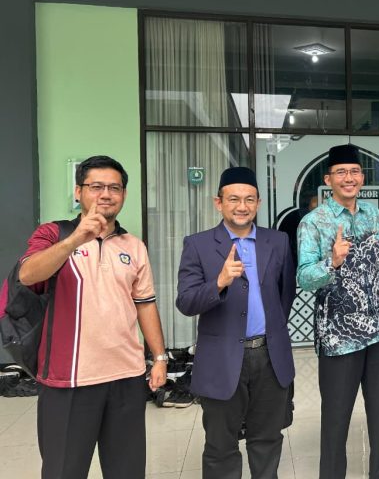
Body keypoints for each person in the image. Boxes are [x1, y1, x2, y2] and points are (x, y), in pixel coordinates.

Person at [17, 155, 167, 479]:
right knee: (64, 471)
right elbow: (27, 275)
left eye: (115, 187)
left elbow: (145, 304)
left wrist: (159, 357)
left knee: (127, 471)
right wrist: (75, 240)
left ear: (124, 194)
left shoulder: (133, 245)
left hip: (127, 376)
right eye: (96, 186)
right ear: (78, 192)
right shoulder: (53, 233)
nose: (106, 194)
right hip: (69, 379)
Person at [176, 166, 295, 479]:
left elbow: (285, 295)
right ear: (219, 203)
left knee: (267, 439)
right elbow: (186, 302)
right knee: (221, 445)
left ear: (258, 203)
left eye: (249, 199)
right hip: (222, 359)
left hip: (269, 356)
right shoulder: (198, 244)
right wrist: (218, 283)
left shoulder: (278, 241)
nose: (242, 206)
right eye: (233, 199)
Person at [297, 144, 379, 479]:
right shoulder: (314, 222)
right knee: (336, 417)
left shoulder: (373, 214)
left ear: (362, 178)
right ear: (328, 179)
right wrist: (332, 262)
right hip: (338, 336)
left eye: (354, 171)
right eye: (341, 172)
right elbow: (304, 277)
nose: (349, 178)